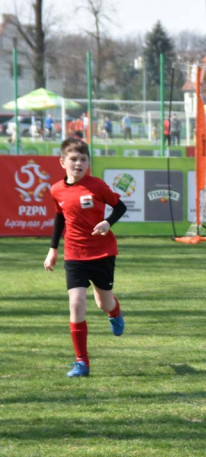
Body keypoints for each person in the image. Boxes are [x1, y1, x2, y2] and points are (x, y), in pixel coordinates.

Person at [42, 138, 129, 378]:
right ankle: (82, 362)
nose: (78, 163)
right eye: (73, 159)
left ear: (88, 162)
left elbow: (120, 207)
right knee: (76, 302)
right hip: (75, 254)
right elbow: (60, 217)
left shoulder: (97, 186)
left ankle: (115, 312)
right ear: (63, 162)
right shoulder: (56, 189)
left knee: (103, 303)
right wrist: (53, 249)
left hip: (102, 253)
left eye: (83, 159)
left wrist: (107, 222)